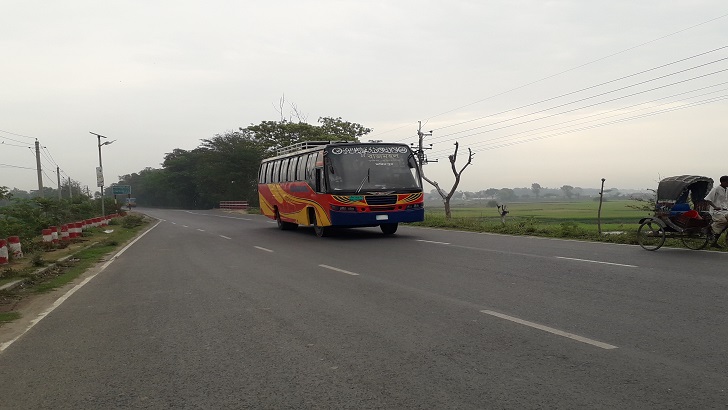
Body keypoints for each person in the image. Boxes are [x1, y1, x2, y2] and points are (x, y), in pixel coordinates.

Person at [703, 175, 728, 248]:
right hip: (716, 211)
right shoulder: (716, 189)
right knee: (723, 221)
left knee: (724, 225)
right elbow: (708, 199)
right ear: (723, 182)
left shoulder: (727, 189)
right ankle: (710, 228)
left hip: (725, 210)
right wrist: (715, 207)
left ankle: (716, 241)